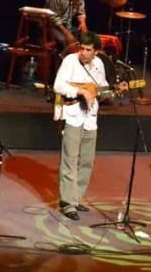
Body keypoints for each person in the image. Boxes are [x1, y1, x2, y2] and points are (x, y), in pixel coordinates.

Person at [53, 31, 126, 220]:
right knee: (70, 159)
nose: (84, 53)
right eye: (82, 49)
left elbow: (100, 91)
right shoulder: (70, 61)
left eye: (88, 50)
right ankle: (67, 203)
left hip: (90, 119)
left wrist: (114, 90)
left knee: (86, 161)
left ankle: (76, 198)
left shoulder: (99, 65)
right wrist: (80, 91)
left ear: (96, 52)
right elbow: (58, 86)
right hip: (72, 116)